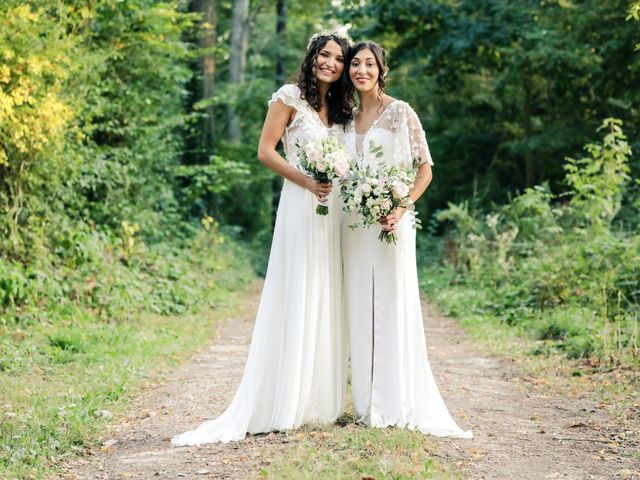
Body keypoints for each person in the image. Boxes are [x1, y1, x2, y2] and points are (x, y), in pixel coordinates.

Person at [172, 31, 354, 445]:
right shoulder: (288, 97)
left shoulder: (341, 108)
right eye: (325, 55)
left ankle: (318, 400)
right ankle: (283, 398)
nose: (331, 63)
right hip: (301, 203)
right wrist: (307, 182)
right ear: (311, 57)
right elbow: (266, 151)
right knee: (297, 290)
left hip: (333, 210)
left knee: (326, 292)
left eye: (339, 59)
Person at [342, 41, 472, 438]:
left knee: (391, 304)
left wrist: (401, 206)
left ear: (382, 70)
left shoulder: (401, 112)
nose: (361, 70)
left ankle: (394, 402)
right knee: (359, 306)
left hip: (392, 222)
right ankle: (366, 403)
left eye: (369, 64)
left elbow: (425, 171)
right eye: (355, 64)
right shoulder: (344, 119)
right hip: (352, 225)